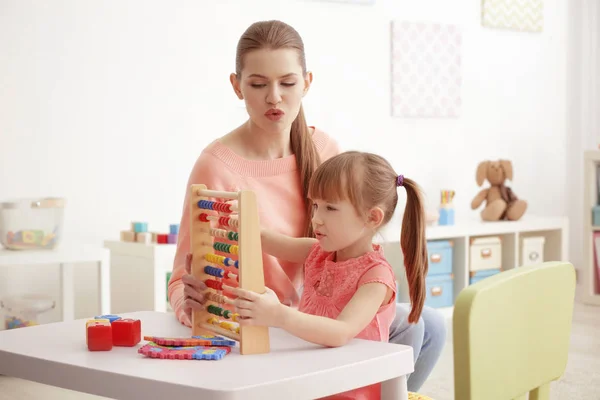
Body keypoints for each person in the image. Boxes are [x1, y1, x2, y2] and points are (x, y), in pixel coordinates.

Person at [167, 19, 446, 392]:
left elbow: (353, 230)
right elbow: (182, 276)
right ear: (237, 87)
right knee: (414, 325)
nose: (274, 98)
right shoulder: (216, 166)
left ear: (307, 82)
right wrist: (192, 300)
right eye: (258, 84)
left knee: (433, 324)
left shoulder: (324, 149)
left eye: (287, 83)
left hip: (322, 303)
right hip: (267, 314)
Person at [225, 151, 427, 399]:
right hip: (311, 376)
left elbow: (341, 331)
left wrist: (278, 314)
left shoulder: (376, 276)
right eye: (316, 206)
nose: (316, 219)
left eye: (330, 208)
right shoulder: (317, 252)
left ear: (372, 217)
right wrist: (240, 219)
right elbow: (265, 239)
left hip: (351, 389)